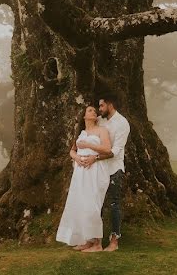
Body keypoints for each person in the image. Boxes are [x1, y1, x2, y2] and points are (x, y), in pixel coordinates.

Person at [74, 93, 130, 252]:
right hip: (97, 169)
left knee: (113, 203)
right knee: (93, 204)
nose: (99, 110)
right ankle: (91, 239)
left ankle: (114, 240)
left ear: (110, 104)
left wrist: (95, 157)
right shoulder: (100, 120)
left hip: (113, 168)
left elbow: (115, 152)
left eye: (101, 106)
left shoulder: (122, 123)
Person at [55, 105, 112, 249]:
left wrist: (89, 146)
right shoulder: (81, 133)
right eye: (90, 110)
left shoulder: (101, 130)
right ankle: (88, 240)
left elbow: (107, 149)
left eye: (95, 110)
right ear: (84, 116)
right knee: (81, 204)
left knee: (92, 205)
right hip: (80, 172)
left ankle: (98, 243)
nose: (94, 112)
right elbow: (72, 151)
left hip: (96, 170)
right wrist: (76, 158)